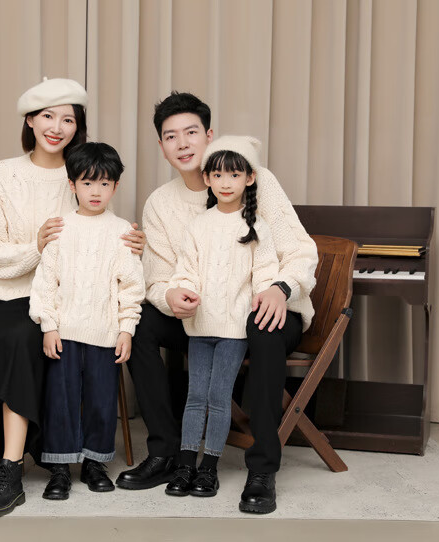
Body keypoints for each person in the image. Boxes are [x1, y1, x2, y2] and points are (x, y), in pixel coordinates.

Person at [0, 78, 145, 526]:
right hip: (6, 292)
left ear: (78, 126)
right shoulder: (1, 174)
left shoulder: (83, 171)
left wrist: (133, 245)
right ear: (29, 120)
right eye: (47, 116)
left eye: (68, 119)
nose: (57, 127)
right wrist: (36, 247)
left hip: (66, 303)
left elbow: (101, 234)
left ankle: (10, 468)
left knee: (20, 336)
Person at [116, 92, 317, 516]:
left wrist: (281, 288)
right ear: (161, 146)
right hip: (201, 316)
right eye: (171, 136)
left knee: (263, 328)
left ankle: (262, 468)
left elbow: (300, 250)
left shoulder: (256, 179)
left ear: (209, 135)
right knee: (139, 322)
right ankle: (167, 452)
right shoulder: (160, 204)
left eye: (191, 132)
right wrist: (170, 296)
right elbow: (157, 278)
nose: (183, 143)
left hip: (264, 305)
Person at [29, 142, 145, 501]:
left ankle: (95, 463)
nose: (96, 191)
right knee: (60, 399)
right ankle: (60, 468)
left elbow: (131, 286)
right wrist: (48, 325)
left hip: (105, 334)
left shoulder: (122, 231)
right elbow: (45, 282)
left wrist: (126, 329)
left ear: (116, 186)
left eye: (105, 183)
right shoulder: (60, 229)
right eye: (87, 182)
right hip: (64, 333)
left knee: (101, 399)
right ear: (72, 184)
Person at [164, 136, 278, 499]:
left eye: (234, 174)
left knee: (218, 395)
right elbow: (186, 270)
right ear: (207, 179)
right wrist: (183, 290)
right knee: (195, 395)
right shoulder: (199, 225)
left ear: (249, 178)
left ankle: (208, 469)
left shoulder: (257, 226)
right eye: (217, 175)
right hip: (199, 326)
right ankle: (186, 465)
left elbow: (265, 274)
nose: (225, 182)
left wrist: (263, 295)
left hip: (234, 329)